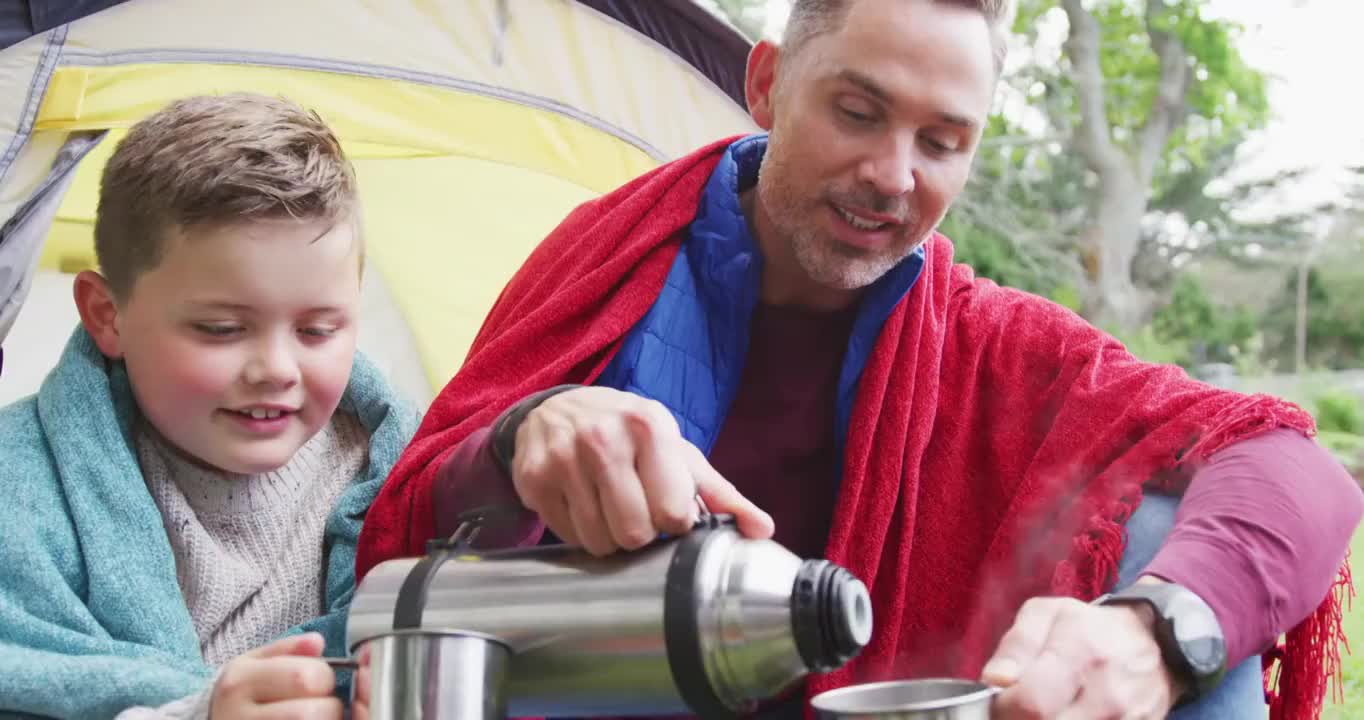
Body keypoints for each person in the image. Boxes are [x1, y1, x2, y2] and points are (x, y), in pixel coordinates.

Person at [356, 1, 1362, 718]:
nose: (891, 176)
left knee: (1180, 565)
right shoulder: (607, 259)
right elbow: (406, 549)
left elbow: (1288, 468)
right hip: (597, 692)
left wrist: (1155, 629)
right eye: (856, 111)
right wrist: (522, 440)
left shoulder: (983, 338)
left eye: (940, 140)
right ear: (764, 85)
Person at [0, 93, 419, 719]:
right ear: (107, 316)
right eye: (222, 329)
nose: (277, 369)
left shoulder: (407, 481)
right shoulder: (21, 491)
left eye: (318, 330)